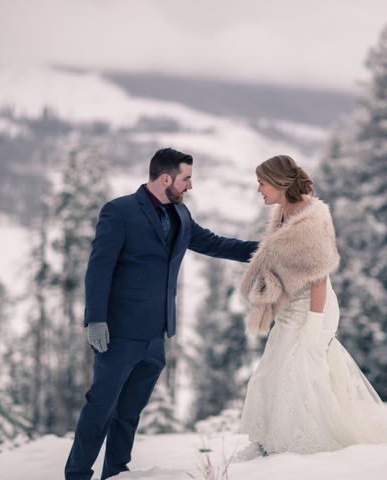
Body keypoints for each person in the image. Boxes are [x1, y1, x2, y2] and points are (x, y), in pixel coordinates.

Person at [65, 148, 258, 480]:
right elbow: (99, 268)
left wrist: (268, 250)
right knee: (100, 409)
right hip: (118, 333)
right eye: (187, 179)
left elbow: (215, 243)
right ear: (166, 178)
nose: (190, 186)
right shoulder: (120, 211)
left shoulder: (181, 216)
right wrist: (94, 318)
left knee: (129, 413)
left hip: (157, 334)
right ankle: (78, 474)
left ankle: (116, 474)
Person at [238, 154, 387, 455]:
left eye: (261, 183)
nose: (258, 189)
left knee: (296, 372)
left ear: (278, 183)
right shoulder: (283, 213)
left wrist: (313, 325)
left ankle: (301, 446)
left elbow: (319, 280)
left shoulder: (309, 221)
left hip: (313, 307)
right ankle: (275, 441)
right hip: (290, 309)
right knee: (274, 369)